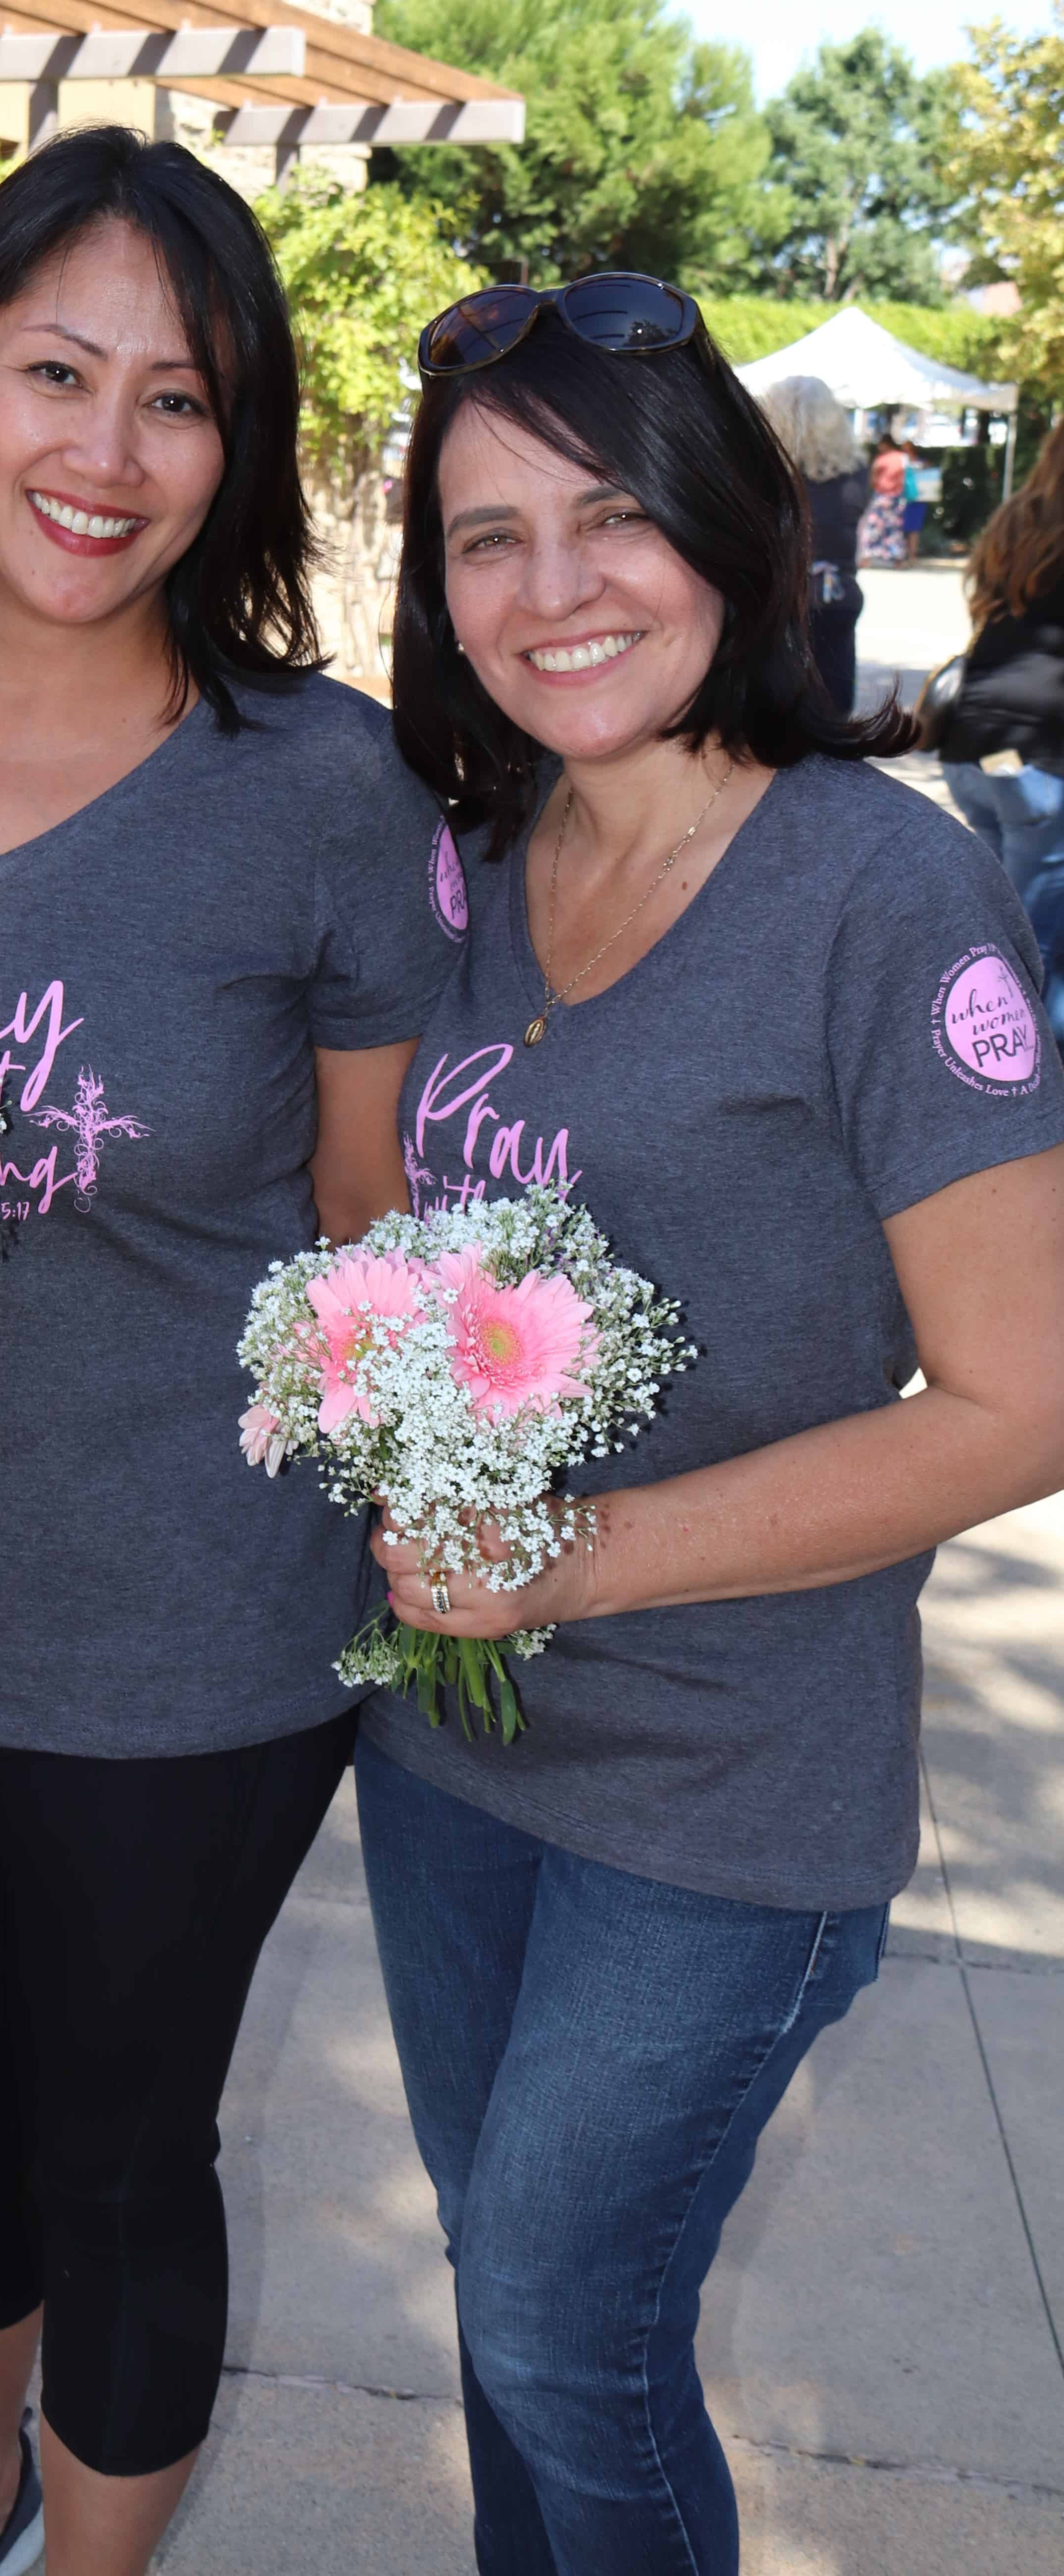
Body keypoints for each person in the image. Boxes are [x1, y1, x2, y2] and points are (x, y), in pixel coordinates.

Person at [0, 125, 456, 2576]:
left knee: (122, 2154)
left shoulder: (320, 790)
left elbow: (366, 1222)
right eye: (55, 374)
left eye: (177, 399)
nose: (107, 449)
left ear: (231, 451)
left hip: (196, 1651)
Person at [363, 271, 1064, 2576]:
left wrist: (581, 1555)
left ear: (732, 538)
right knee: (500, 2291)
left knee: (560, 2321)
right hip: (451, 1754)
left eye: (609, 518)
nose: (548, 587)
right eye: (485, 536)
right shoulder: (471, 863)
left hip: (729, 1793)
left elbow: (1020, 1397)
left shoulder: (881, 889)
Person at [940, 415, 1064, 1039]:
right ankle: (1022, 1074)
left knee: (992, 936)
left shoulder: (1019, 516)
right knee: (1028, 953)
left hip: (972, 745)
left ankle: (971, 1056)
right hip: (1038, 761)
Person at [757, 371, 866, 713]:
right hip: (838, 593)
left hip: (781, 599)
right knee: (834, 708)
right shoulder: (855, 474)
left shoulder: (765, 477)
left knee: (776, 712)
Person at [857, 428, 908, 566]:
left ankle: (866, 558)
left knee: (873, 527)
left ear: (886, 444)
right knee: (895, 528)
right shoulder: (902, 458)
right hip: (897, 497)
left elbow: (873, 480)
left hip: (881, 496)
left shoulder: (881, 459)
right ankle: (897, 559)